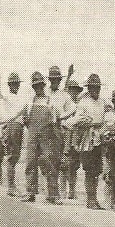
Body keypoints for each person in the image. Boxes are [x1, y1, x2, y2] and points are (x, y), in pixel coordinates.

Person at [21, 71, 59, 203]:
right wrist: (32, 131)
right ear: (33, 87)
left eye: (40, 85)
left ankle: (53, 194)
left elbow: (54, 122)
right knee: (30, 163)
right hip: (32, 137)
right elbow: (25, 120)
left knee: (49, 163)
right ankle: (30, 193)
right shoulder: (29, 102)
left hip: (47, 138)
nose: (38, 88)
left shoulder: (50, 102)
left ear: (43, 85)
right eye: (35, 86)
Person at [70, 73, 107, 209]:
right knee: (89, 169)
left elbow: (105, 118)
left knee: (96, 170)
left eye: (97, 88)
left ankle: (94, 198)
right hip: (86, 138)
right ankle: (90, 199)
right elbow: (78, 120)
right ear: (88, 88)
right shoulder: (83, 102)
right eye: (92, 88)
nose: (95, 90)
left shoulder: (102, 102)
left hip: (99, 137)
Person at [0, 71, 26, 197]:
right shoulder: (8, 96)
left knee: (15, 156)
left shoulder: (21, 98)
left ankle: (12, 186)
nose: (15, 86)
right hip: (12, 126)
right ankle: (11, 187)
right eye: (13, 84)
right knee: (12, 157)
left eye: (16, 84)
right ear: (9, 85)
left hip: (18, 127)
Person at [48, 65, 78, 198]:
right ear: (50, 80)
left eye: (57, 79)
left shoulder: (64, 96)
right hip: (47, 131)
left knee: (65, 162)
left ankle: (65, 191)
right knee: (48, 161)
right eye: (52, 79)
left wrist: (62, 117)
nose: (55, 81)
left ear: (59, 80)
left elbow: (73, 108)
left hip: (63, 131)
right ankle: (53, 191)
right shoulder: (44, 93)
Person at [59, 78, 84, 198]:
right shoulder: (65, 104)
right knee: (63, 165)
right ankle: (63, 191)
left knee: (74, 166)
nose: (73, 93)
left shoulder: (79, 105)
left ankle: (72, 192)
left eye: (75, 91)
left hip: (77, 137)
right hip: (65, 136)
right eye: (71, 90)